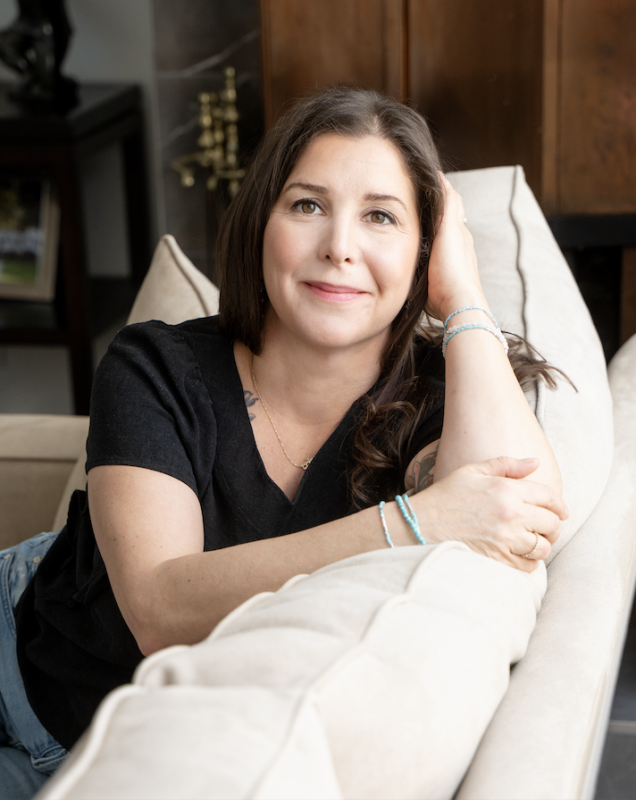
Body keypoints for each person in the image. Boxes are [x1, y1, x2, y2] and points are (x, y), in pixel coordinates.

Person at [0, 86, 568, 797]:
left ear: (425, 249)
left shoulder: (441, 398)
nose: (339, 247)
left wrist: (462, 295)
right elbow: (157, 609)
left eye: (381, 217)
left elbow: (521, 512)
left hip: (128, 757)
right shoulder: (156, 365)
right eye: (307, 206)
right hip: (18, 655)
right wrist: (414, 523)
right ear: (259, 224)